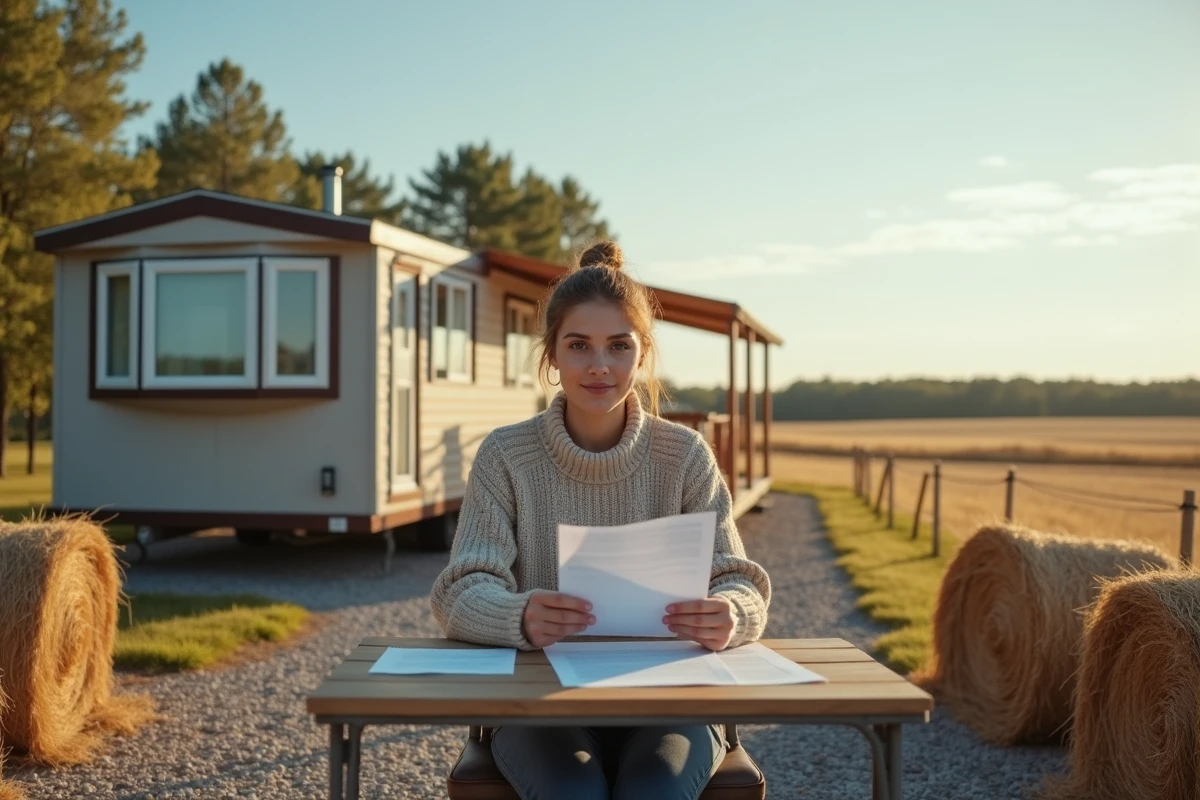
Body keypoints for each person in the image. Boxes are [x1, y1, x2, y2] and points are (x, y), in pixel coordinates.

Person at [429, 240, 772, 800]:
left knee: (651, 792)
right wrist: (518, 616)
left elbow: (738, 577)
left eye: (618, 346)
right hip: (544, 705)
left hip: (671, 704)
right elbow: (460, 590)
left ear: (642, 356)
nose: (599, 365)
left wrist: (731, 613)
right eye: (579, 345)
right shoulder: (506, 455)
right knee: (573, 792)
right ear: (552, 357)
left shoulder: (685, 455)